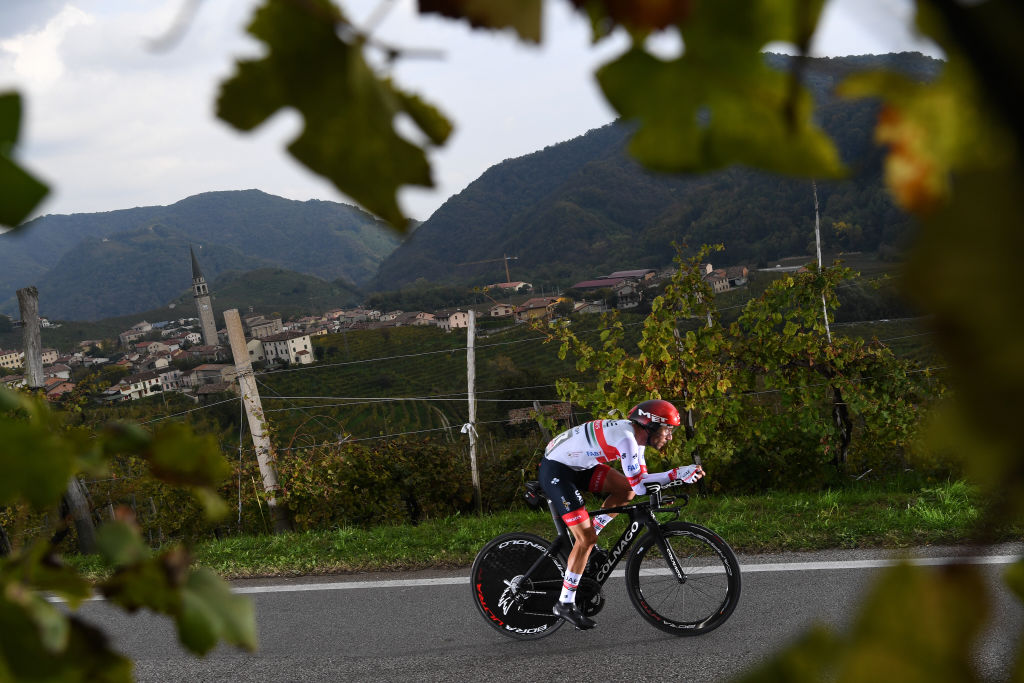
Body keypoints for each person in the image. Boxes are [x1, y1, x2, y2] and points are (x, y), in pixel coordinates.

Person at [539, 399, 704, 630]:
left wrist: (673, 476)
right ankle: (565, 603)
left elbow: (636, 483)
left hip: (580, 465)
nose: (670, 437)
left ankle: (590, 532)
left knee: (624, 492)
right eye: (668, 429)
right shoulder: (626, 438)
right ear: (651, 425)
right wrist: (677, 474)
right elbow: (640, 486)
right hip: (557, 470)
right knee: (586, 539)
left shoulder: (637, 438)